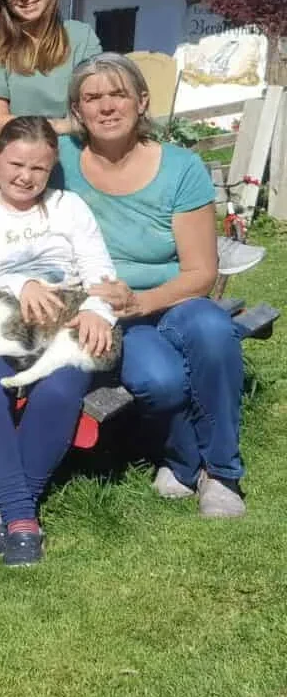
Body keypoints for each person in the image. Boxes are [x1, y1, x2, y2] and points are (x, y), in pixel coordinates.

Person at [58, 53, 248, 518]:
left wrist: (140, 301)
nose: (106, 107)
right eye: (92, 97)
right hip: (105, 314)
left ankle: (222, 473)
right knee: (157, 380)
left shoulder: (180, 167)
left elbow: (201, 273)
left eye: (118, 94)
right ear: (77, 111)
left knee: (212, 330)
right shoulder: (60, 160)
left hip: (172, 299)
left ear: (142, 101)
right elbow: (9, 156)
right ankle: (184, 464)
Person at [0, 116, 118, 566]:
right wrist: (22, 282)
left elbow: (100, 272)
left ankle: (6, 517)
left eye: (39, 169)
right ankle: (24, 519)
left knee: (61, 388)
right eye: (16, 165)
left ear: (52, 169)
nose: (26, 177)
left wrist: (95, 312)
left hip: (63, 325)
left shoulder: (70, 209)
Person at [0, 0, 103, 192]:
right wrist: (63, 125)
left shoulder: (81, 37)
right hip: (9, 149)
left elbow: (94, 104)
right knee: (55, 170)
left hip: (71, 146)